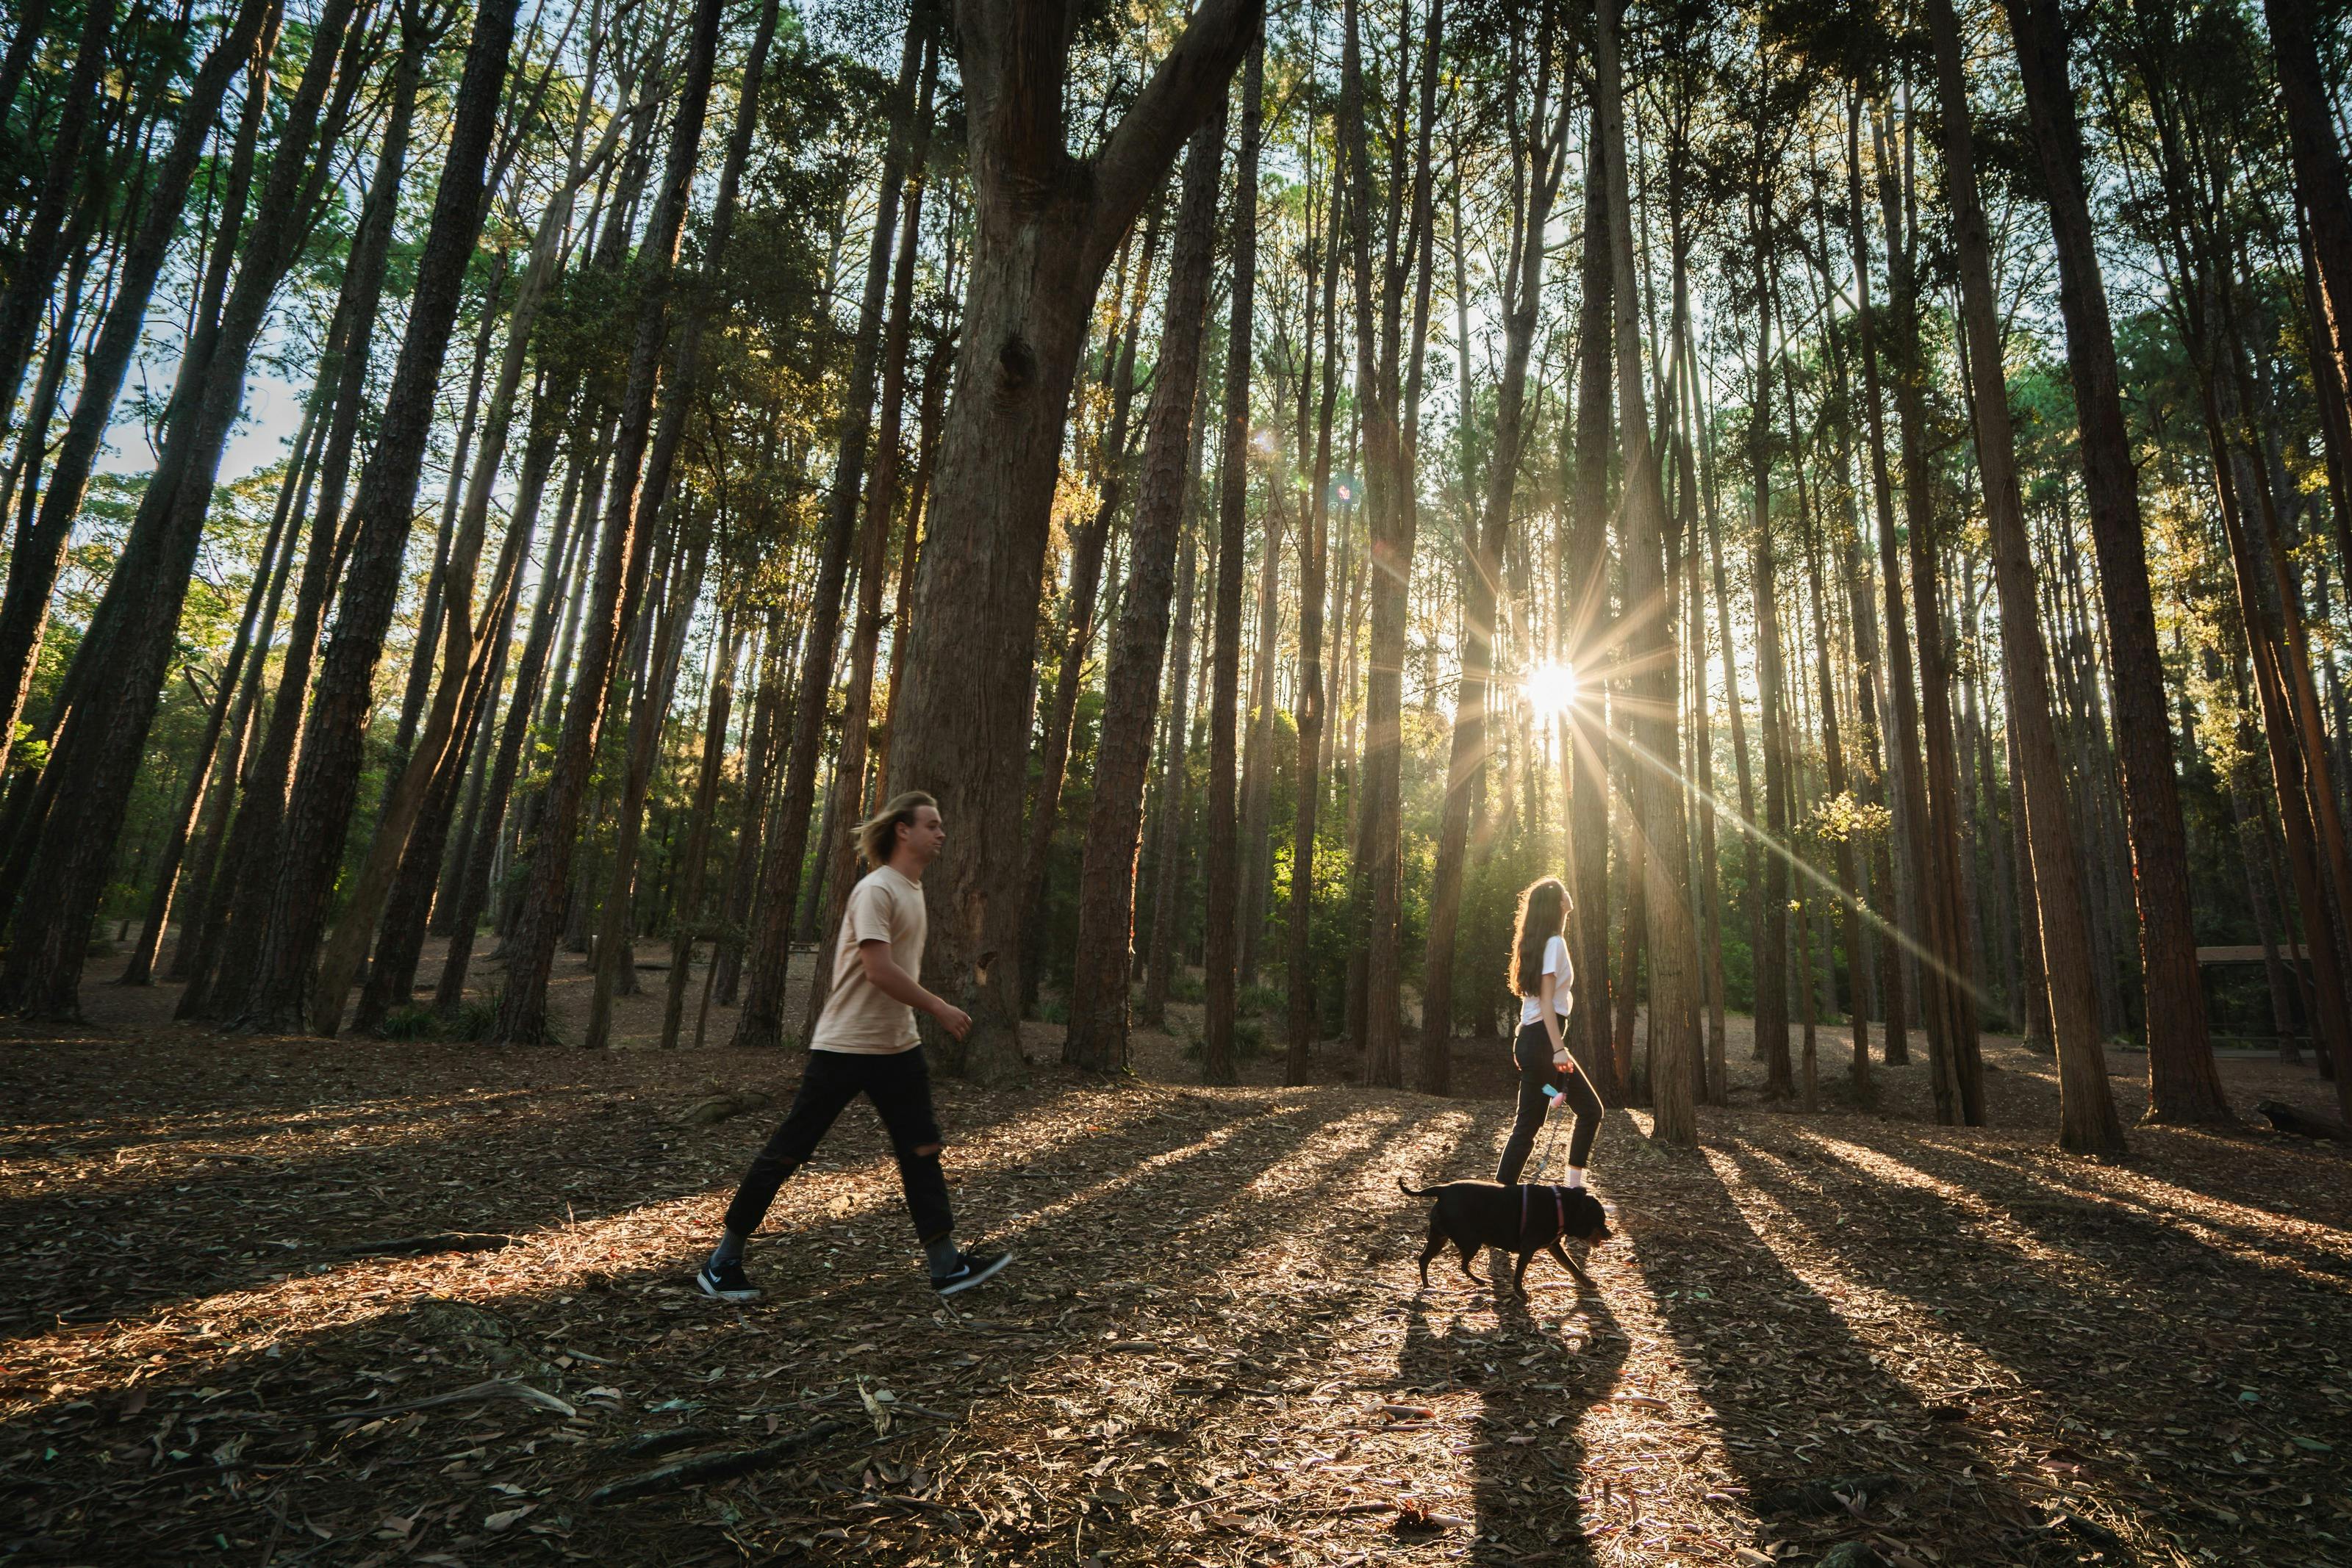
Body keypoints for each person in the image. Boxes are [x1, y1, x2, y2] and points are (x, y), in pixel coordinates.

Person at [698, 791, 1011, 1301]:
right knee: (789, 1152)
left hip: (897, 1047)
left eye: (941, 825)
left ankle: (946, 1264)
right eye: (931, 825)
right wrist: (939, 1007)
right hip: (845, 1046)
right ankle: (722, 1260)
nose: (941, 833)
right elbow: (878, 969)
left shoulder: (912, 889)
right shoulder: (877, 889)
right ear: (902, 831)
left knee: (922, 1150)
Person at [1494, 875, 1602, 1191]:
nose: (1570, 893)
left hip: (1535, 1040)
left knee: (1571, 1111)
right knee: (1532, 1124)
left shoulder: (1546, 942)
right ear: (1558, 904)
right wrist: (1558, 1050)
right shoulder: (1554, 943)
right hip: (1543, 1040)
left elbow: (1536, 1006)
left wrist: (1552, 1087)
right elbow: (1545, 999)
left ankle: (1571, 1190)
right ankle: (1500, 1198)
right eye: (1564, 891)